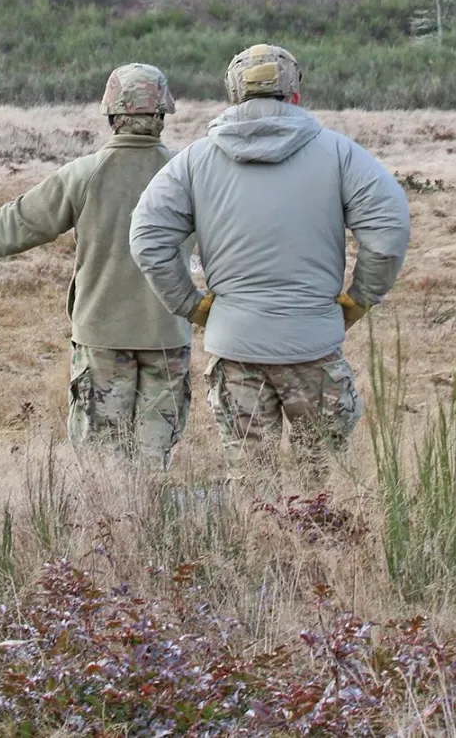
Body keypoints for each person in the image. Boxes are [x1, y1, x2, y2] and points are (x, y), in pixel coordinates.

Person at [129, 43, 410, 475]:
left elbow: (148, 238)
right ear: (295, 95)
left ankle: (259, 542)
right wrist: (360, 298)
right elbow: (388, 233)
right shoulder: (340, 154)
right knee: (327, 481)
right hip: (314, 347)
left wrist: (191, 305)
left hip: (235, 349)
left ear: (233, 96)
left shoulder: (194, 161)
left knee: (251, 486)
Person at [0, 64, 194, 466]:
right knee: (153, 465)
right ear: (163, 112)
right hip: (168, 338)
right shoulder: (188, 175)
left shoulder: (84, 175)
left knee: (102, 471)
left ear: (110, 113)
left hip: (101, 340)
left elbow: (16, 223)